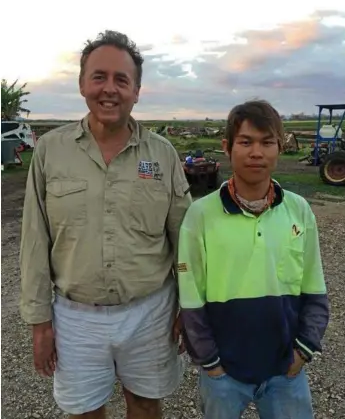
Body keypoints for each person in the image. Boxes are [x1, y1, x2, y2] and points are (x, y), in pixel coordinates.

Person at [20, 30, 192, 419]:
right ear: (82, 83)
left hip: (151, 311)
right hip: (76, 317)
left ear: (137, 90)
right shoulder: (51, 151)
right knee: (84, 411)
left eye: (121, 79)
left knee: (146, 404)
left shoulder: (162, 155)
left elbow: (184, 237)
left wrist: (189, 304)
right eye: (99, 77)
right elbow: (33, 239)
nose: (109, 89)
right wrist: (39, 321)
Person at [177, 100, 329, 419]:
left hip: (286, 373)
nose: (256, 152)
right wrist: (211, 363)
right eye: (245, 142)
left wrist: (304, 350)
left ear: (280, 147)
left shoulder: (299, 210)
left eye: (267, 142)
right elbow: (190, 297)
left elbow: (315, 290)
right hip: (223, 377)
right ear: (227, 147)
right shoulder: (201, 215)